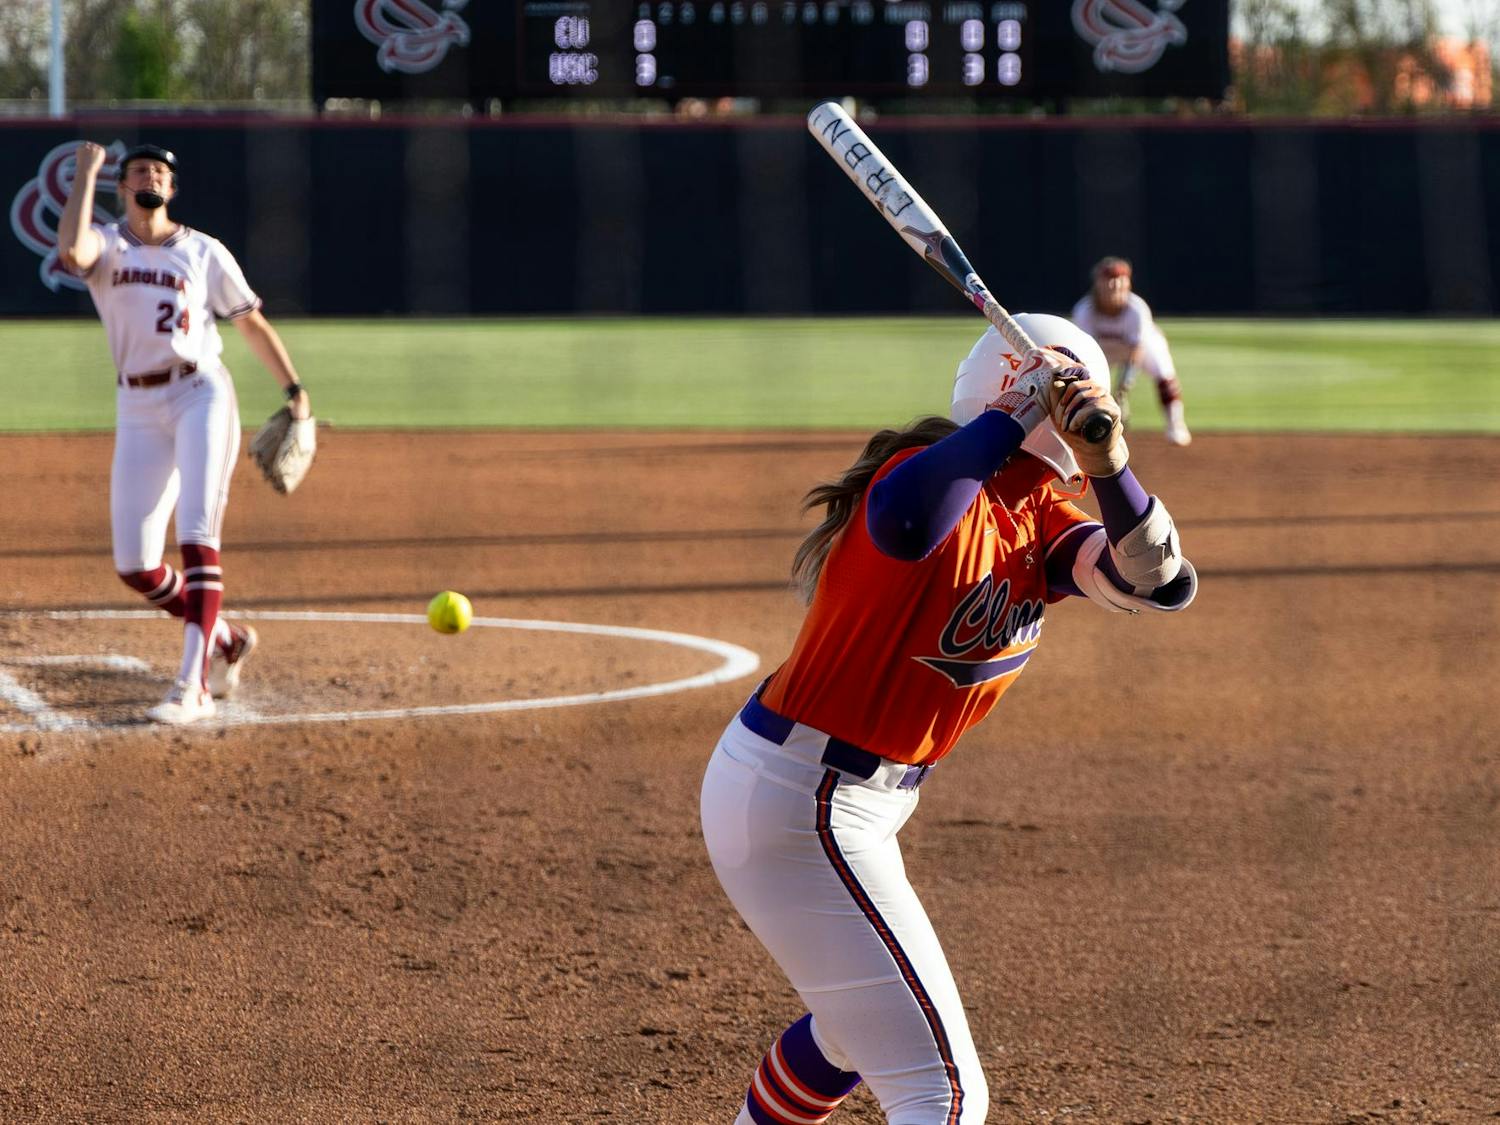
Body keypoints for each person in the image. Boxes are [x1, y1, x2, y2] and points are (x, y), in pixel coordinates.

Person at [700, 314, 1197, 1124]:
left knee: (853, 1032)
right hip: (806, 800)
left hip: (818, 798)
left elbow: (1160, 582)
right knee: (947, 1093)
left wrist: (1112, 465)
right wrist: (1017, 412)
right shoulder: (918, 476)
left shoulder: (1041, 520)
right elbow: (908, 523)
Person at [56, 141, 312, 725]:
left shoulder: (203, 251)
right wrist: (87, 174)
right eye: (141, 170)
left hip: (200, 393)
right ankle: (227, 639)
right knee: (136, 565)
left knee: (198, 535)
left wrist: (295, 391)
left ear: (172, 189)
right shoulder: (108, 244)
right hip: (137, 405)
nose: (152, 176)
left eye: (162, 172)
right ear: (122, 187)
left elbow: (250, 322)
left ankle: (191, 686)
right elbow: (72, 250)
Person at [1070, 256, 1191, 446]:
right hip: (1104, 351)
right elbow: (1085, 352)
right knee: (1087, 379)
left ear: (1127, 283)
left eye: (1120, 278)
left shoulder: (1136, 309)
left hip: (1143, 346)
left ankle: (1175, 425)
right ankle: (1086, 425)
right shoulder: (1085, 310)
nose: (1114, 284)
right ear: (1098, 283)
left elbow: (1136, 352)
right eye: (1108, 278)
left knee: (1164, 372)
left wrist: (1122, 389)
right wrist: (1119, 351)